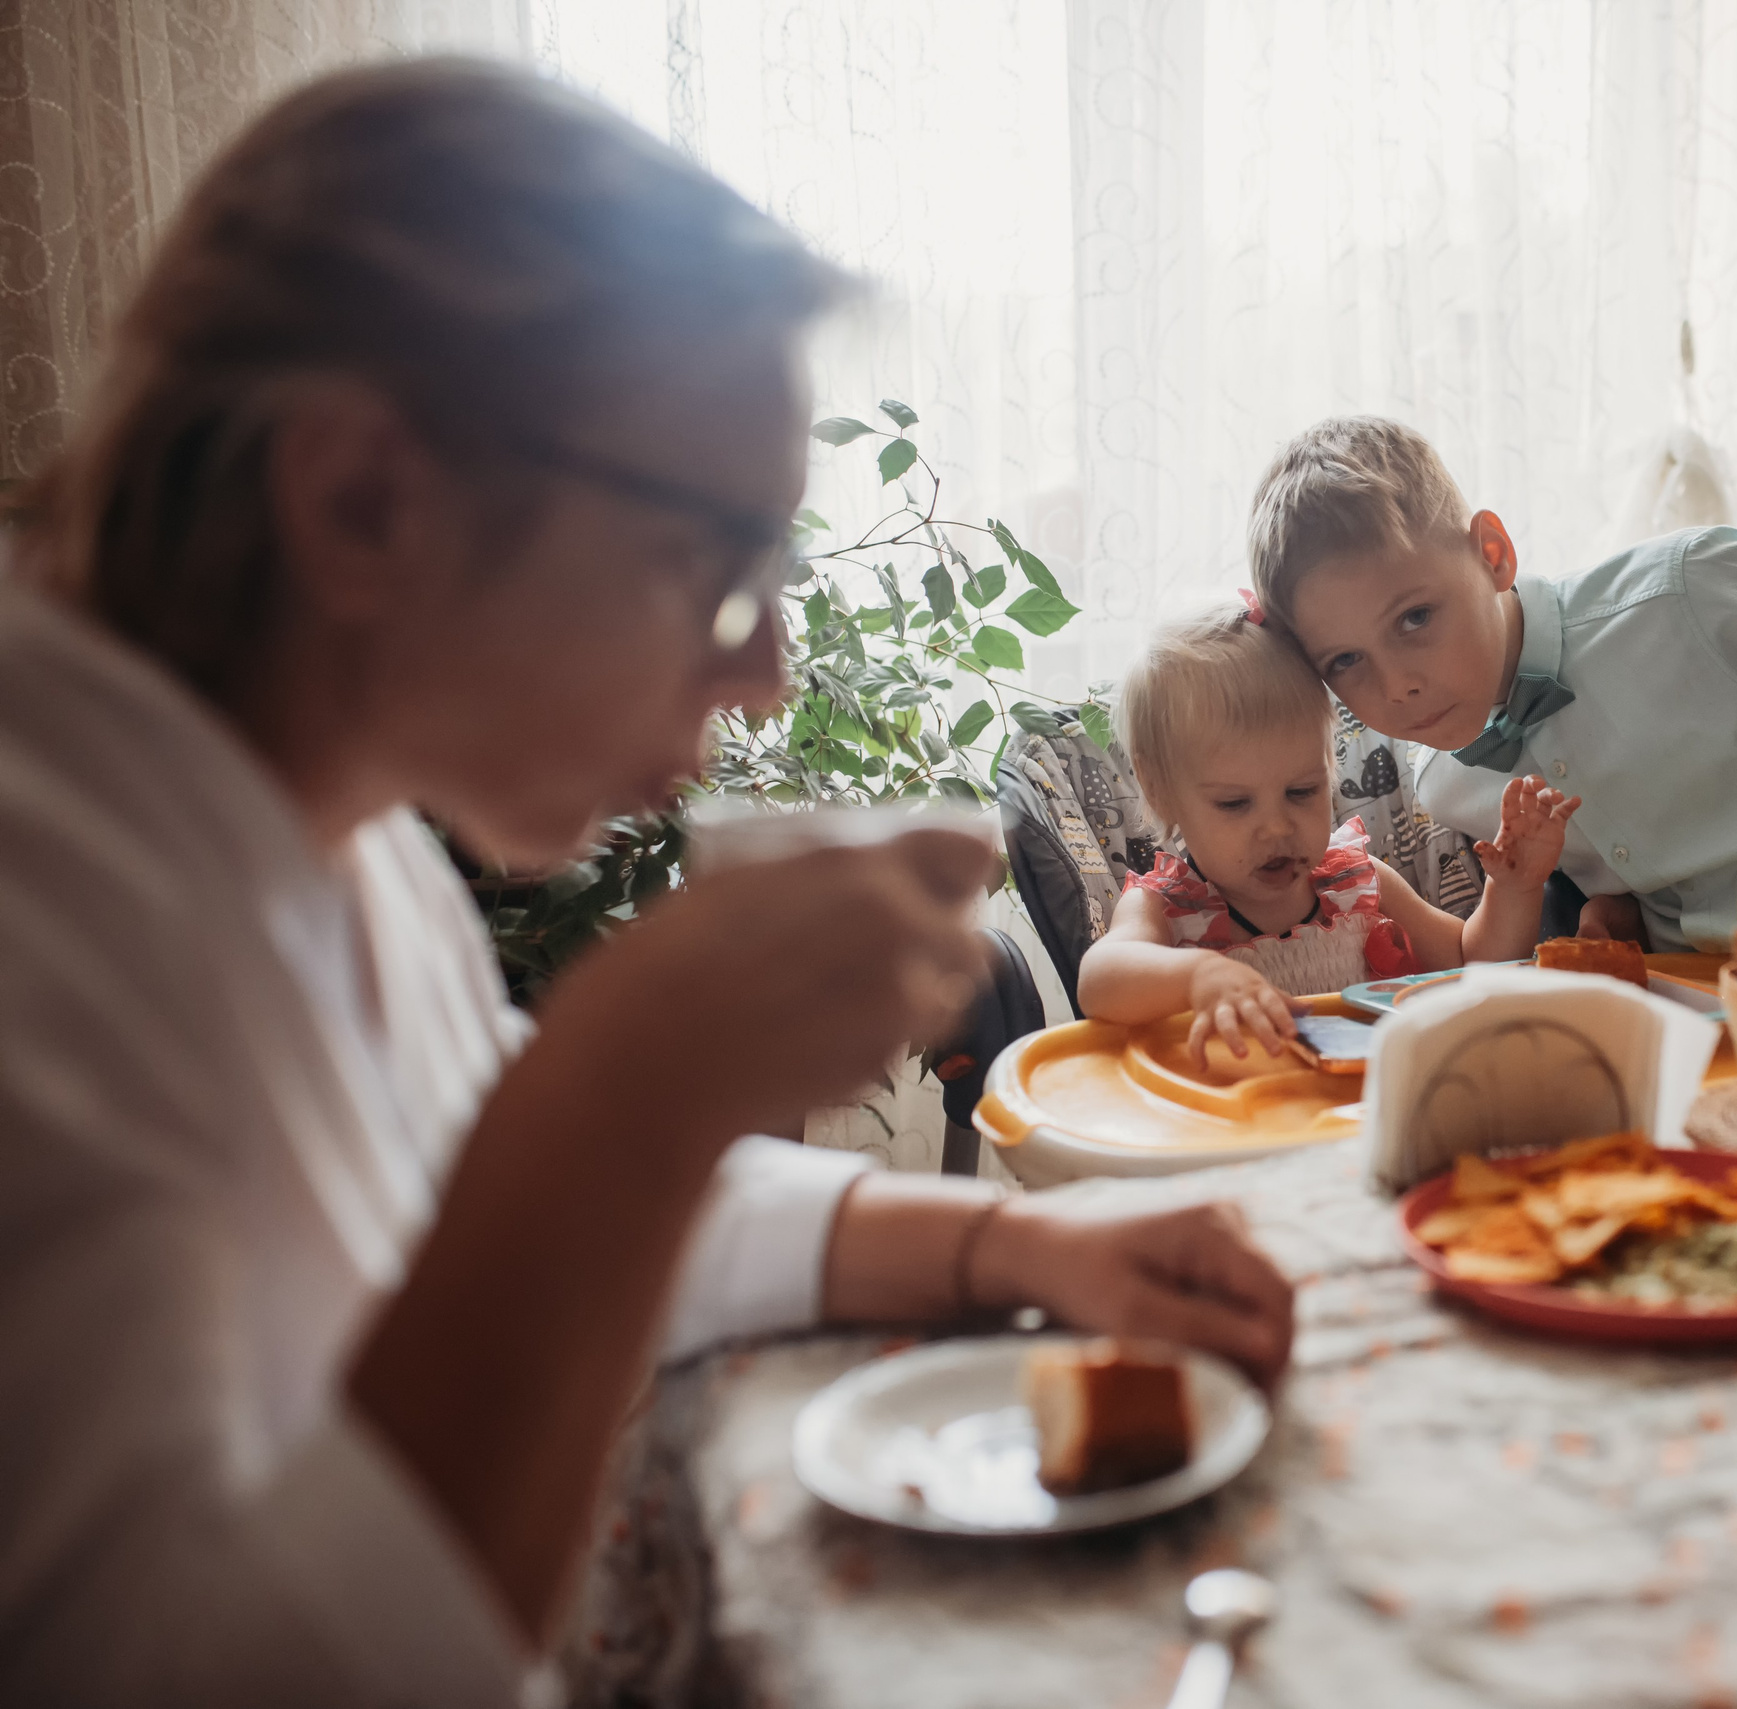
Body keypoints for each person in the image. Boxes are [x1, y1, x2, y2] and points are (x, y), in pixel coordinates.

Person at [0, 59, 1294, 1707]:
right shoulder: (43, 902)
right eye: (720, 566)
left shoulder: (333, 824)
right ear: (362, 499)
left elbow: (534, 1227)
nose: (761, 675)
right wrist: (630, 1078)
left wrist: (1017, 1252)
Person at [1244, 416, 1737, 953]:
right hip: (1706, 1027)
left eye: (1414, 618)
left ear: (1493, 553)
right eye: (1345, 662)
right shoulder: (1448, 785)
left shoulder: (1688, 590)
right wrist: (1611, 912)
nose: (1397, 687)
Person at [1077, 600, 1579, 1058]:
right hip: (1241, 1130)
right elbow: (1098, 980)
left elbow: (1473, 964)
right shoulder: (1165, 910)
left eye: (1301, 792)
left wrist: (1514, 887)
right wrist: (1197, 976)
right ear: (1161, 789)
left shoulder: (1357, 882)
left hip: (1363, 1117)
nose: (1276, 827)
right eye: (1234, 803)